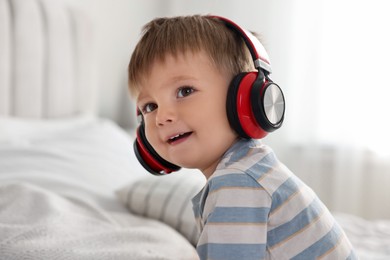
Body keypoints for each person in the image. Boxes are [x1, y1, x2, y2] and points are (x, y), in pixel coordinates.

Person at [127, 15, 357, 260]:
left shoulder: (237, 182)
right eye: (150, 106)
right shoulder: (250, 169)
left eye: (185, 91)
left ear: (245, 98)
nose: (163, 117)